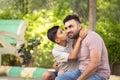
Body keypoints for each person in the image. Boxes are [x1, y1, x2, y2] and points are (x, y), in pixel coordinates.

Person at [55, 14, 111, 80]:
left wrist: (79, 79)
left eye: (71, 27)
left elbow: (95, 63)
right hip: (80, 71)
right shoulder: (73, 40)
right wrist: (58, 63)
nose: (68, 30)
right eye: (66, 28)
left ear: (79, 26)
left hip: (98, 74)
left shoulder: (92, 37)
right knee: (59, 79)